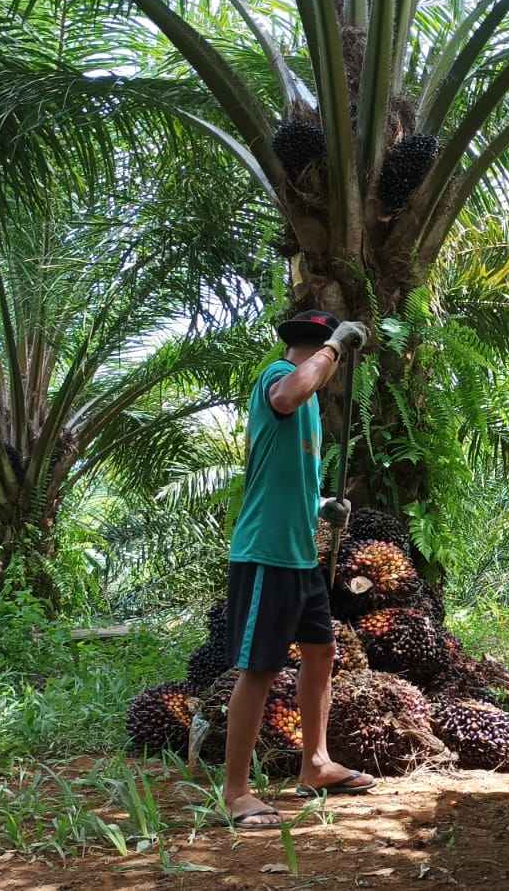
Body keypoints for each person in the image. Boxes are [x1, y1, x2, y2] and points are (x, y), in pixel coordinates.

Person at [223, 310, 374, 827]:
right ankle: (237, 791)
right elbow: (289, 394)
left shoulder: (307, 412)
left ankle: (316, 764)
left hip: (300, 554)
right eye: (326, 355)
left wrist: (322, 504)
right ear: (314, 350)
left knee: (321, 652)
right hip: (266, 553)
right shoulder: (278, 381)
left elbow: (286, 479)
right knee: (260, 669)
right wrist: (335, 345)